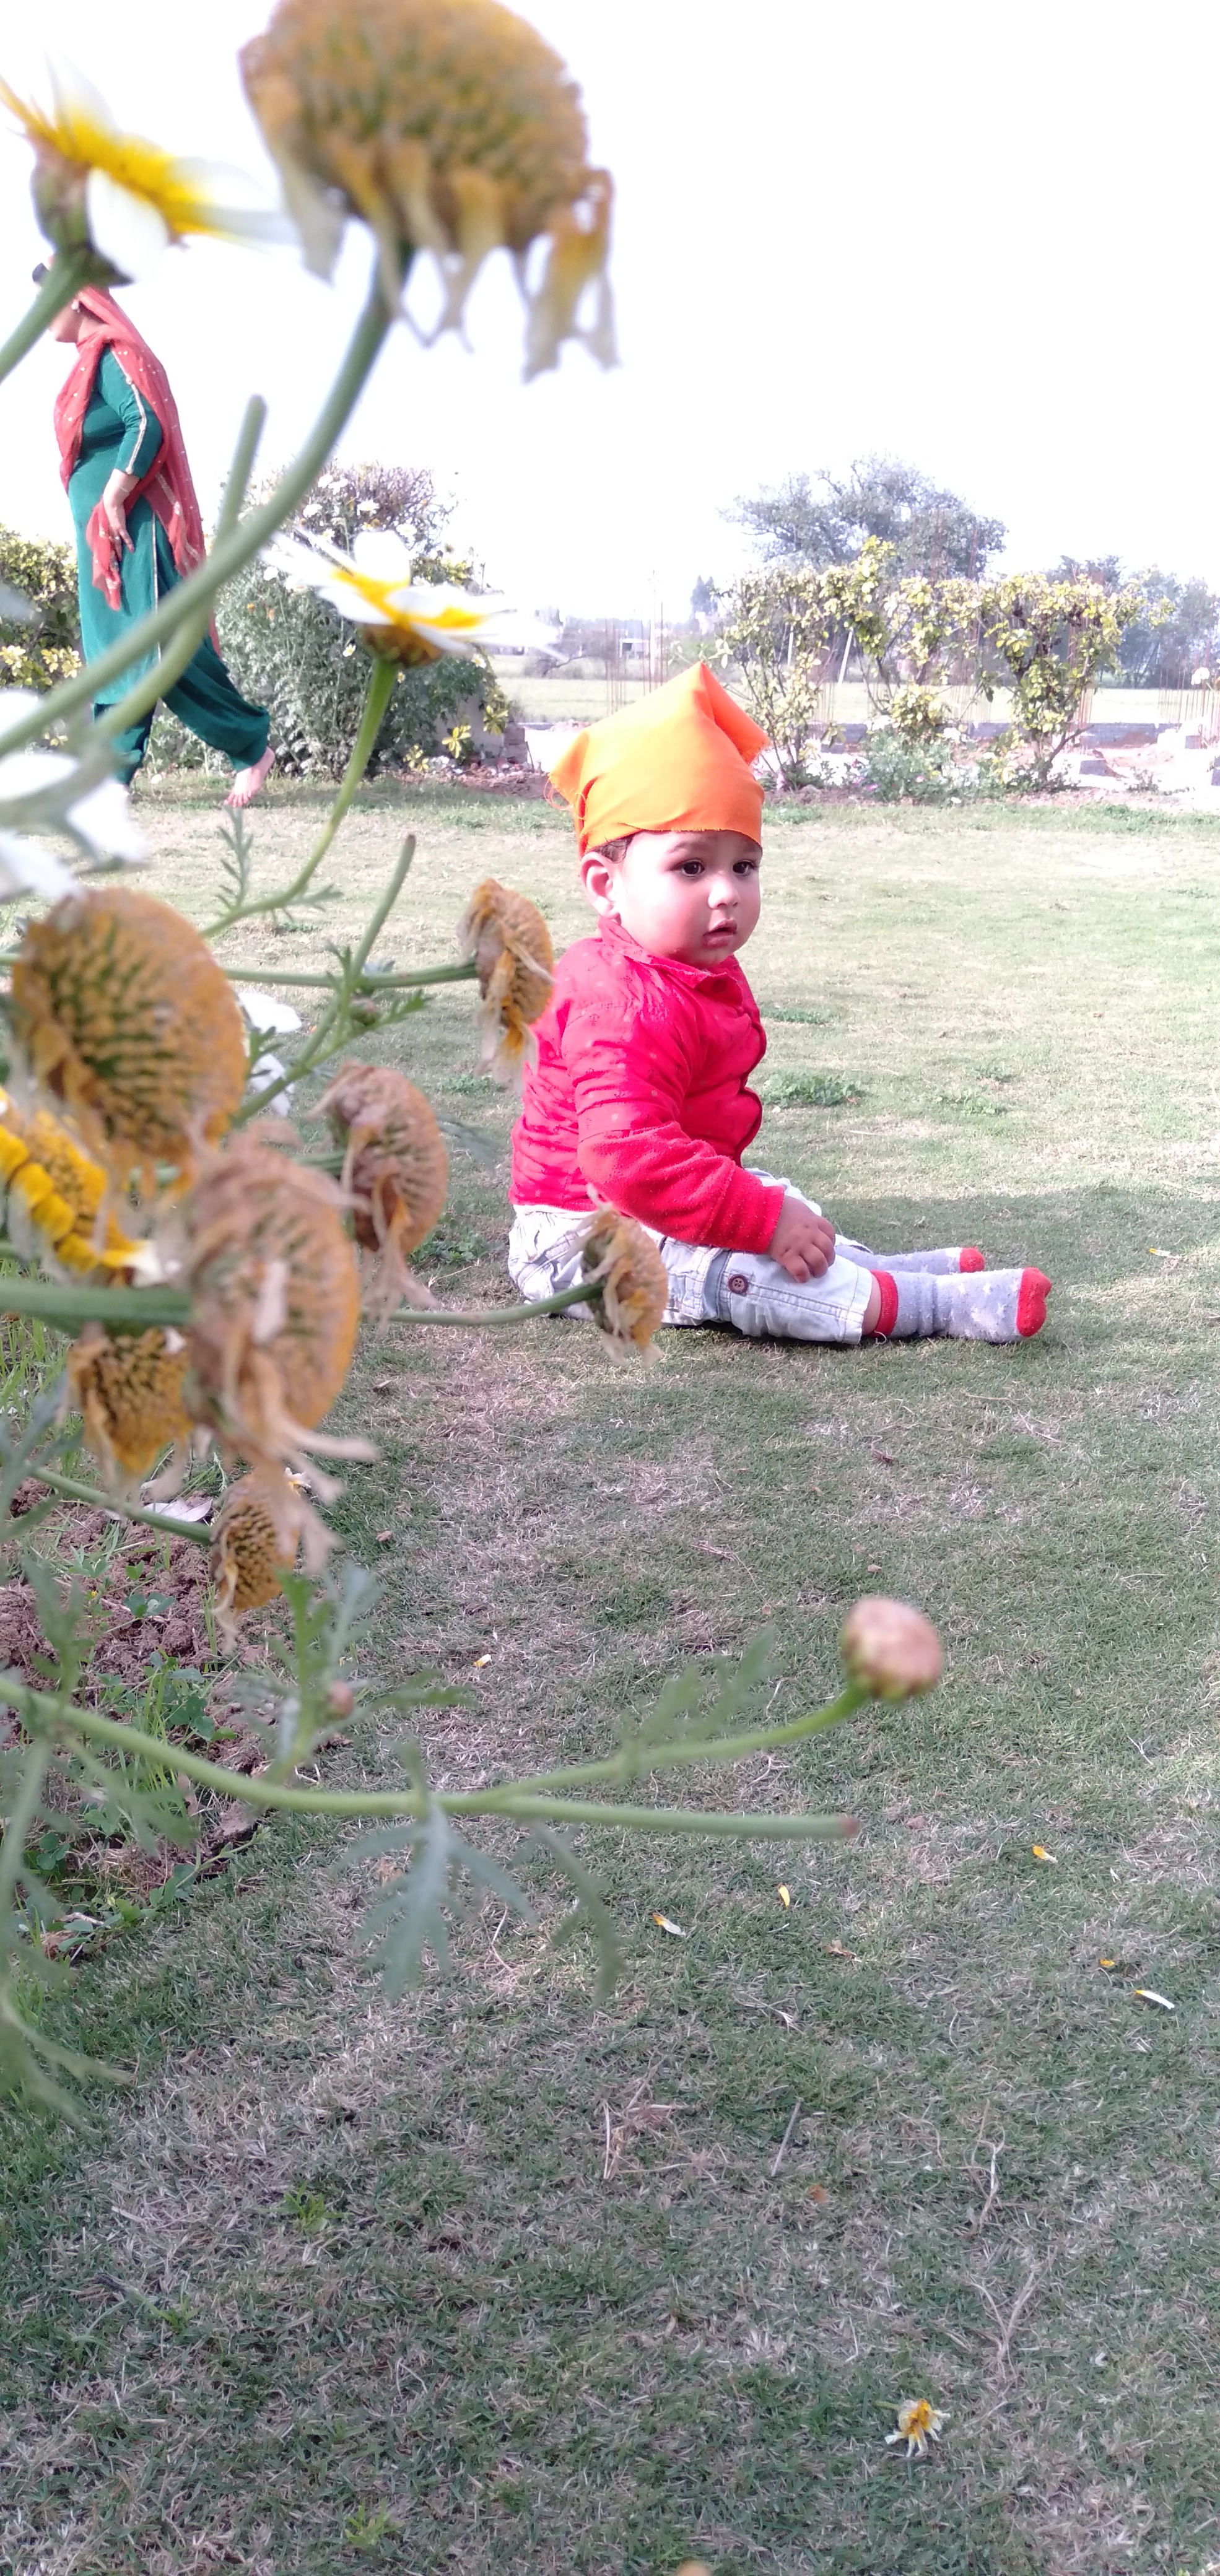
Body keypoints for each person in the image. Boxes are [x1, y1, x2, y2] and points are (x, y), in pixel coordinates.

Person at [508, 663, 1051, 1346]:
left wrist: (769, 1213)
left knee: (776, 1199)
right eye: (690, 866)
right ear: (604, 884)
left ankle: (872, 1270)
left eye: (743, 865)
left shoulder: (690, 970)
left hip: (645, 1200)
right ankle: (930, 1305)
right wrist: (762, 1221)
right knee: (743, 1266)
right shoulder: (614, 1000)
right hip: (577, 1236)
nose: (726, 891)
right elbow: (627, 1155)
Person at [41, 275, 274, 806]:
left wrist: (114, 495)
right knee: (119, 651)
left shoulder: (115, 354)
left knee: (162, 650)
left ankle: (247, 746)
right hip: (107, 541)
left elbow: (146, 424)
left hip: (135, 533)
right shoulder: (90, 361)